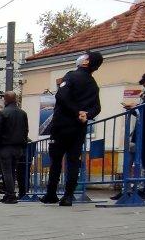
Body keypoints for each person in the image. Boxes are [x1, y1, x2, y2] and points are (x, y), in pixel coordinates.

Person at [42, 50, 103, 207]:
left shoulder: (71, 76)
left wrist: (76, 112)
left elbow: (61, 96)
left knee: (56, 160)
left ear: (86, 62)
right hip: (79, 128)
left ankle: (51, 193)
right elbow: (97, 107)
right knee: (73, 161)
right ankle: (68, 196)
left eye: (86, 57)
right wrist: (86, 114)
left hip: (61, 125)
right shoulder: (93, 85)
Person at [0, 93, 30, 203]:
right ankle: (8, 194)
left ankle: (10, 195)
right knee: (12, 171)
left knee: (7, 172)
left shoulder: (3, 113)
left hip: (5, 146)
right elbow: (26, 130)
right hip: (18, 147)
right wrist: (23, 144)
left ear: (6, 100)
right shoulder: (23, 113)